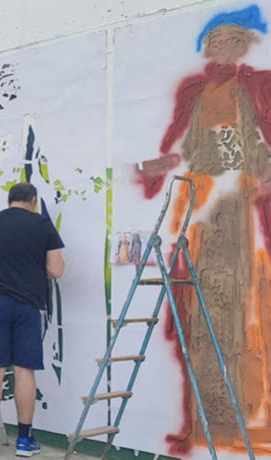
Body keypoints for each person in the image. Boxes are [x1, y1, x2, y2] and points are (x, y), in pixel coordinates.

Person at [133, 5, 271, 446]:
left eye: (231, 40)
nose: (222, 47)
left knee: (243, 306)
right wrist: (156, 166)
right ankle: (211, 413)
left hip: (240, 208)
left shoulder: (257, 85)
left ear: (243, 43)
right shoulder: (192, 90)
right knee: (203, 309)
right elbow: (174, 142)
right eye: (215, 41)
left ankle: (243, 408)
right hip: (201, 210)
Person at [0, 183, 64, 458]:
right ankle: (25, 439)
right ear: (33, 200)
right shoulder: (43, 225)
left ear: (9, 200)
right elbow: (56, 270)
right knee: (25, 370)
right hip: (29, 305)